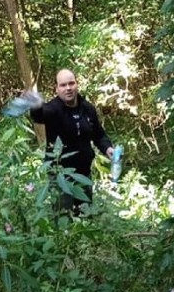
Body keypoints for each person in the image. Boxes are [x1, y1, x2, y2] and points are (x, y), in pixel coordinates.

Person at [27, 69, 114, 213]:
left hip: (84, 175)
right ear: (57, 89)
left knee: (85, 220)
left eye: (71, 83)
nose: (68, 88)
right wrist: (35, 105)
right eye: (63, 85)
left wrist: (108, 149)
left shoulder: (87, 108)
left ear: (77, 84)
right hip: (60, 177)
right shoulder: (53, 109)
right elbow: (39, 116)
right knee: (63, 222)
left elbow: (99, 135)